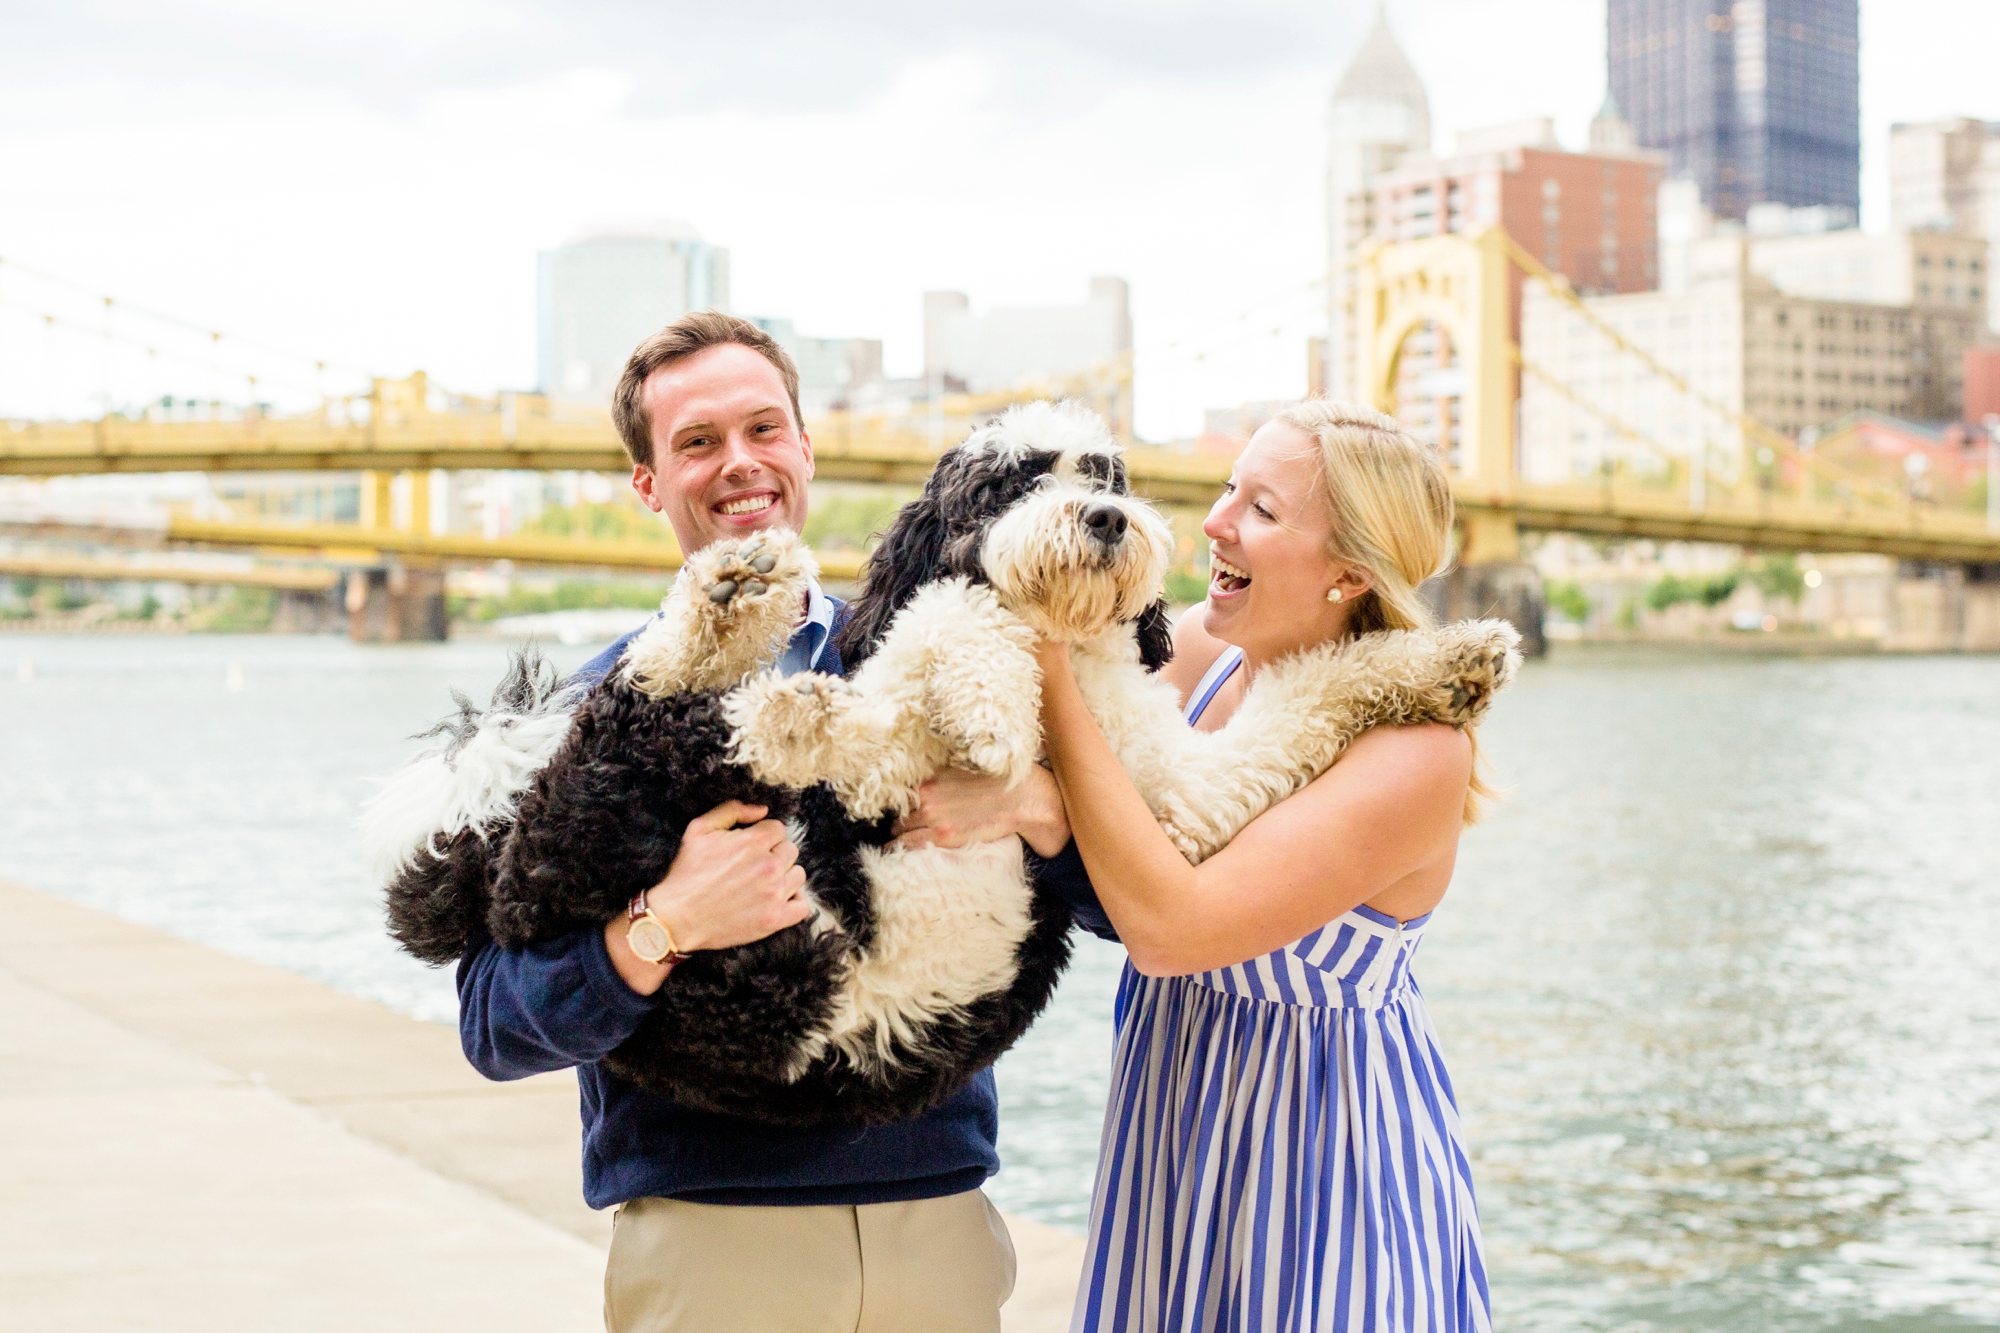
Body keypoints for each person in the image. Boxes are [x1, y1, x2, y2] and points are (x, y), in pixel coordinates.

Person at [455, 311, 1084, 1333]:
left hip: (941, 1223)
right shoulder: (584, 714)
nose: (738, 464)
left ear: (803, 446)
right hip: (714, 1239)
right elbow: (492, 1021)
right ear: (648, 484)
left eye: (762, 429)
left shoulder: (948, 660)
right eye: (696, 442)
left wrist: (1033, 807)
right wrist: (658, 927)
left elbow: (1126, 906)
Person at [1036, 401, 1494, 1332]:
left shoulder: (1416, 748)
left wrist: (1051, 673)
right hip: (1173, 1111)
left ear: (1350, 573)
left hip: (1324, 1154)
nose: (1215, 522)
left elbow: (1174, 930)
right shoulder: (1203, 649)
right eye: (1226, 489)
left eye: (1264, 510)